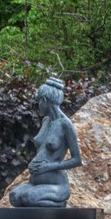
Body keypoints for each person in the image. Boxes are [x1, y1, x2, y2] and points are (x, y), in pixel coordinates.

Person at [9, 77, 82, 208]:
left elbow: (77, 159)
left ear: (44, 100)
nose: (38, 106)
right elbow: (42, 150)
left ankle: (59, 204)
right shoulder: (46, 121)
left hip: (56, 185)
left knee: (28, 198)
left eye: (38, 102)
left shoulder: (65, 124)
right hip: (35, 182)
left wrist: (47, 167)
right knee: (14, 197)